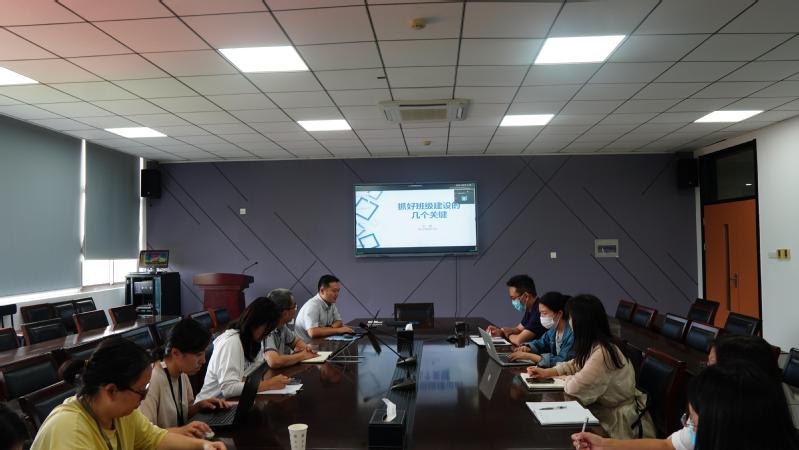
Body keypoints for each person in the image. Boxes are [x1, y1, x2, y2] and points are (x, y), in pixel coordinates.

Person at [571, 334, 784, 450]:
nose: (707, 374)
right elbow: (667, 445)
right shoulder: (713, 418)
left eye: (714, 367)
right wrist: (605, 444)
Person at [30, 336, 225, 450]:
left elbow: (155, 438)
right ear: (111, 391)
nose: (144, 398)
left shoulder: (121, 413)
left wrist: (203, 446)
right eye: (141, 391)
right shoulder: (70, 431)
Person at [527, 294, 654, 439]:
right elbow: (575, 364)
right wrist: (548, 372)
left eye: (571, 318)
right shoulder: (596, 344)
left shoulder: (603, 353)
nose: (569, 323)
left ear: (582, 322)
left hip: (618, 425)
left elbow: (574, 388)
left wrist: (566, 378)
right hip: (604, 413)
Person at [140, 318, 231, 436]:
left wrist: (199, 406)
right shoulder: (152, 379)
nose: (203, 360)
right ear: (176, 353)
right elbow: (145, 435)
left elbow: (183, 414)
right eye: (198, 355)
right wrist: (182, 430)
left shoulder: (182, 372)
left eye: (203, 353)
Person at [195, 297, 290, 401]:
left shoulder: (253, 341)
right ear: (256, 322)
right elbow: (228, 389)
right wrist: (268, 384)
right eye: (268, 329)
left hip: (234, 402)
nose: (269, 334)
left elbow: (252, 374)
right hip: (210, 406)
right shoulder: (231, 342)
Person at [507, 291, 574, 367]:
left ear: (559, 314)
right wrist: (527, 348)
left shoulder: (572, 334)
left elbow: (562, 362)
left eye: (544, 313)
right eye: (540, 313)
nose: (541, 317)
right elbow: (540, 343)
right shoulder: (553, 331)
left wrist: (529, 356)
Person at [263, 288, 319, 368]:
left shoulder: (282, 325)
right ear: (285, 313)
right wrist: (302, 356)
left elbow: (296, 342)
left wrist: (306, 349)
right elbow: (274, 361)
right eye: (294, 307)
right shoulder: (264, 330)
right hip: (262, 374)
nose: (296, 310)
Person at [486, 274, 547, 346]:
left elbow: (519, 340)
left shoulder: (539, 311)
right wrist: (501, 331)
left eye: (513, 298)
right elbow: (519, 329)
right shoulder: (531, 307)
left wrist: (507, 334)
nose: (513, 301)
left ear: (526, 296)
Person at [294, 275, 353, 342]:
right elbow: (313, 332)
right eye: (334, 291)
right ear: (322, 291)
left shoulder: (331, 303)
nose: (337, 294)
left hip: (321, 343)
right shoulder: (312, 305)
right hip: (305, 346)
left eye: (338, 291)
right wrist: (338, 330)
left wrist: (327, 329)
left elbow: (339, 322)